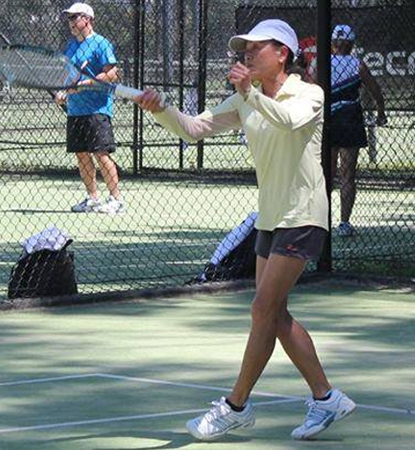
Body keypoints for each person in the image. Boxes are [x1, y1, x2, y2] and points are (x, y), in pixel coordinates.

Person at [133, 19, 355, 441]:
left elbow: (289, 121)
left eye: (257, 48)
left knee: (261, 310)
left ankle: (236, 406)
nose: (247, 54)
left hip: (303, 216)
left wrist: (248, 93)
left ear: (282, 53)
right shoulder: (245, 99)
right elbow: (195, 128)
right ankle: (326, 398)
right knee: (275, 314)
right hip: (270, 218)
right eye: (244, 49)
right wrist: (161, 108)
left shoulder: (309, 94)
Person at [56, 3, 126, 214]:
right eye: (69, 18)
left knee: (101, 154)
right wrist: (63, 92)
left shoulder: (100, 44)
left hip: (97, 109)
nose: (71, 22)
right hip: (76, 110)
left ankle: (116, 200)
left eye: (74, 17)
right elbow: (67, 76)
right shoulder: (70, 46)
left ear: (87, 19)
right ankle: (92, 198)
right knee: (82, 155)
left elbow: (112, 73)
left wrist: (85, 84)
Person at [324, 25, 387, 237]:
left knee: (326, 174)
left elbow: (311, 87)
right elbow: (375, 89)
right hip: (350, 119)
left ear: (332, 43)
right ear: (351, 44)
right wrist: (380, 112)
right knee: (347, 174)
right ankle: (344, 223)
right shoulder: (357, 64)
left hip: (328, 121)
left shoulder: (321, 63)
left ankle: (321, 222)